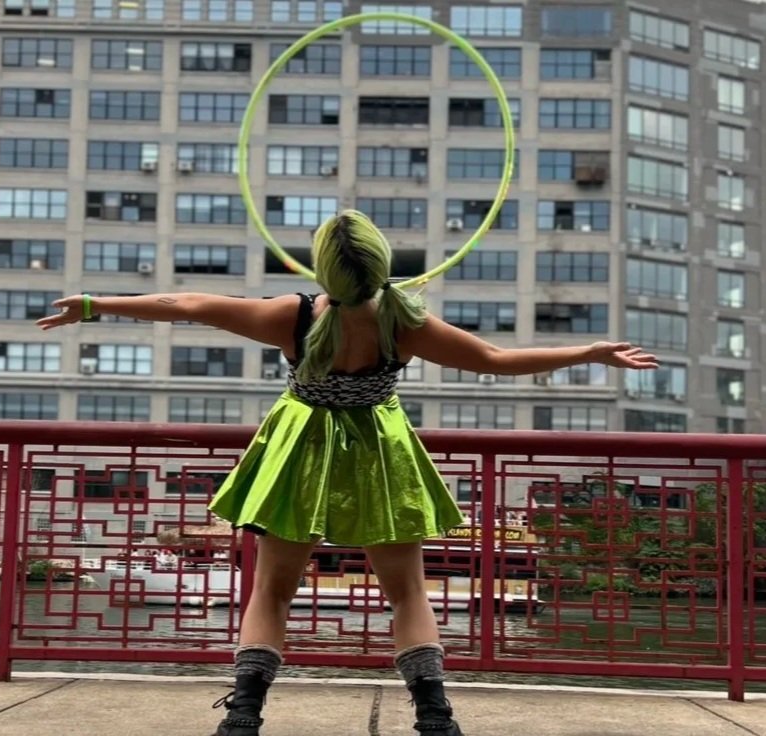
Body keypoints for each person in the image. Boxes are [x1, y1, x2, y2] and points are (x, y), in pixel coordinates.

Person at [37, 209, 658, 736]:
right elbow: (497, 360)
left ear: (322, 270)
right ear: (382, 265)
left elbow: (189, 304)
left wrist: (94, 304)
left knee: (272, 591)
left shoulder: (292, 315)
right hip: (378, 454)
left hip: (300, 451)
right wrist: (591, 351)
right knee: (408, 592)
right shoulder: (402, 320)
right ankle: (435, 718)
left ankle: (243, 719)